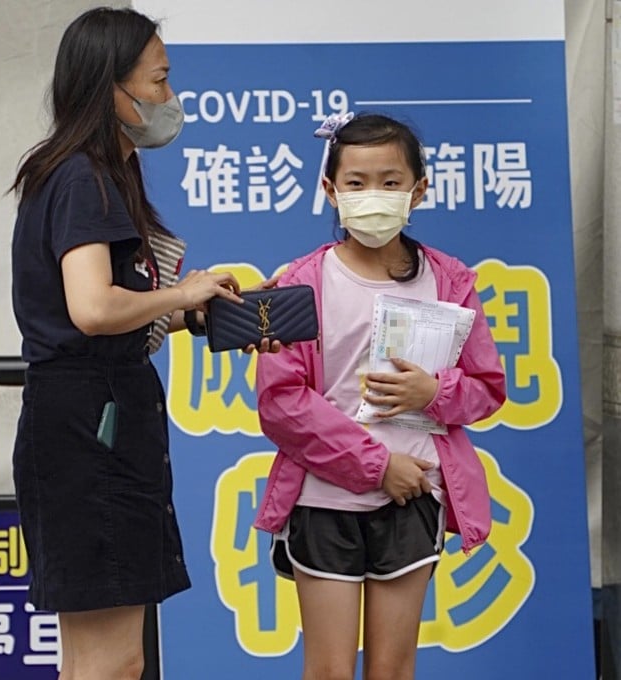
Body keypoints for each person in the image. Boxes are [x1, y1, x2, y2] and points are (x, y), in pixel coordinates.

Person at [9, 8, 278, 680]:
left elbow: (112, 313)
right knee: (114, 662)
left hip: (90, 420)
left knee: (91, 659)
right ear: (112, 89)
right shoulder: (82, 178)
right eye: (158, 80)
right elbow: (94, 308)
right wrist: (179, 295)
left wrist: (199, 310)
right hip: (89, 428)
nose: (168, 97)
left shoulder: (92, 176)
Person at [253, 112, 507, 680]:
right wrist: (375, 466)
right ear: (329, 191)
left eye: (391, 183)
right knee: (329, 671)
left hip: (413, 495)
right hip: (325, 500)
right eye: (356, 183)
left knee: (393, 669)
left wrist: (433, 391)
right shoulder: (299, 283)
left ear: (419, 190)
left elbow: (488, 389)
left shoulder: (449, 280)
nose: (374, 197)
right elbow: (281, 402)